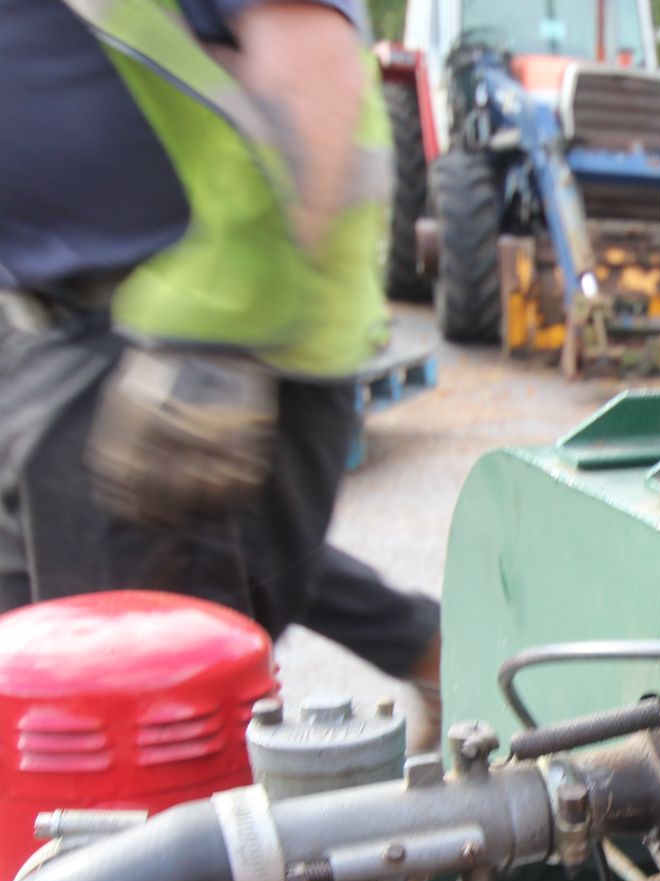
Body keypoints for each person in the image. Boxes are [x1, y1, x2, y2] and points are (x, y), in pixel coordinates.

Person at [0, 0, 440, 723]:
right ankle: (425, 643)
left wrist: (215, 342)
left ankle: (427, 646)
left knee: (136, 740)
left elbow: (314, 75)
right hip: (45, 334)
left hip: (168, 347)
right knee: (39, 726)